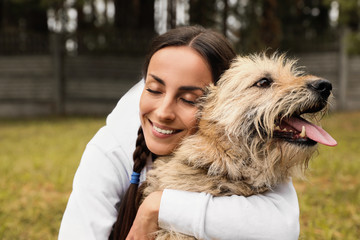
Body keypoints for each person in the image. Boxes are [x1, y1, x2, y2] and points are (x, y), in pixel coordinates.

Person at [58, 26, 300, 240]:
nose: (163, 113)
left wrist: (160, 207)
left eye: (188, 99)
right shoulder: (111, 148)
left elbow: (282, 227)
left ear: (225, 104)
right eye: (153, 89)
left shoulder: (245, 142)